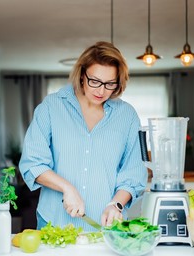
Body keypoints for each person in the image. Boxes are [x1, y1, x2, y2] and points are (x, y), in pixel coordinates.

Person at [18, 41, 147, 232]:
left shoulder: (127, 116)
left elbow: (133, 174)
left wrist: (116, 204)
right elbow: (33, 163)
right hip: (54, 223)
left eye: (110, 84)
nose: (101, 91)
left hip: (105, 228)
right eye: (94, 81)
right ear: (81, 75)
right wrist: (67, 188)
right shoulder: (51, 107)